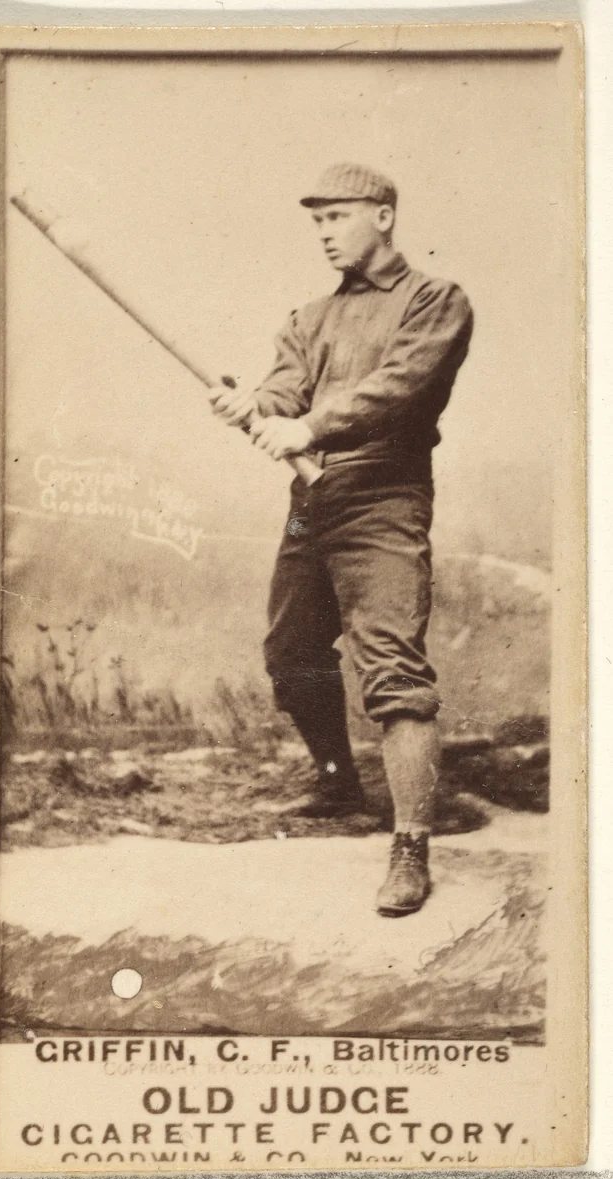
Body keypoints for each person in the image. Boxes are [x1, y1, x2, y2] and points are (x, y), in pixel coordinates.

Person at [208, 163, 473, 917]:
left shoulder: (435, 301)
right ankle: (338, 785)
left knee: (392, 670)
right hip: (312, 501)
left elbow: (400, 388)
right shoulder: (310, 317)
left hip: (384, 494)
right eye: (316, 221)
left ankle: (410, 847)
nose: (324, 233)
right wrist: (251, 404)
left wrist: (309, 427)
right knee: (292, 651)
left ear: (382, 215)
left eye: (337, 216)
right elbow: (284, 389)